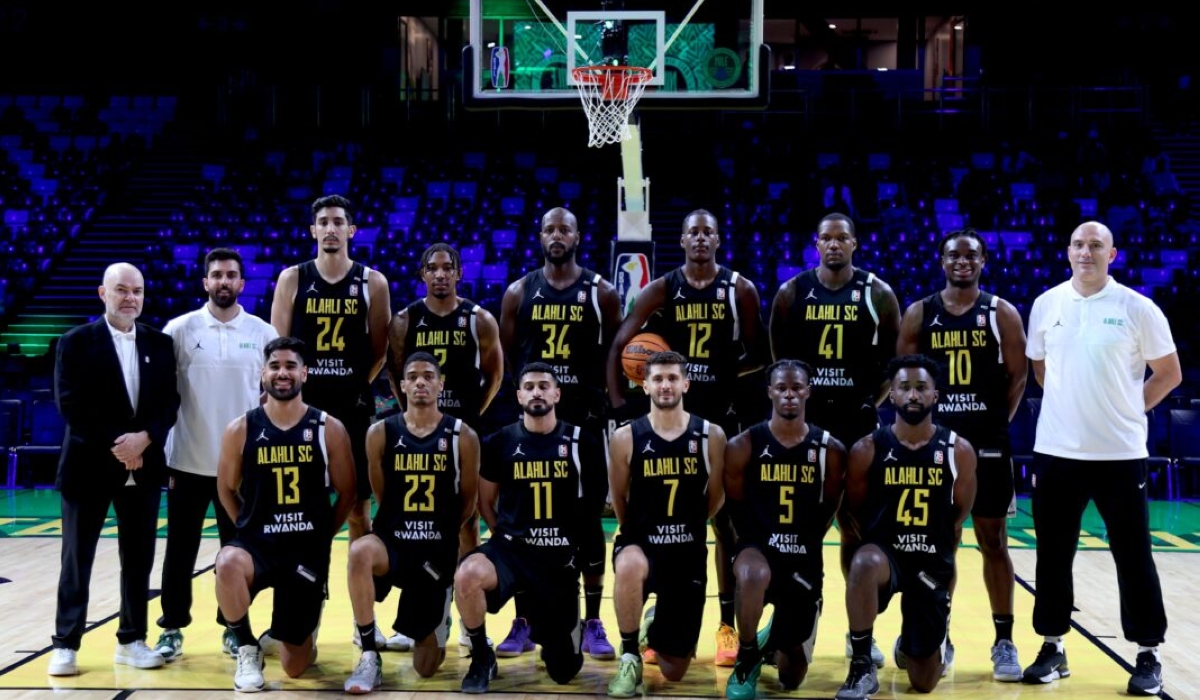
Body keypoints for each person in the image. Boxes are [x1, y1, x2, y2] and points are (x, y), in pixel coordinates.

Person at [1022, 221, 1181, 696]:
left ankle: (1148, 653)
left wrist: (1127, 408)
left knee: (1133, 556)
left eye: (1095, 245)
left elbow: (1168, 373)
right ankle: (1053, 646)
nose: (1085, 252)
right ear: (1067, 252)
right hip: (1056, 452)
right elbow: (1039, 365)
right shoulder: (1047, 304)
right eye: (1077, 245)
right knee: (1052, 555)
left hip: (1120, 453)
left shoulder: (1137, 307)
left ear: (1112, 255)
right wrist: (1071, 405)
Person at [606, 209, 766, 667]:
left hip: (719, 417)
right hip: (669, 411)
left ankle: (727, 626)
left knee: (724, 526)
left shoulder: (739, 290)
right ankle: (656, 609)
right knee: (655, 509)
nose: (699, 237)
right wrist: (620, 406)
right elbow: (622, 344)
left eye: (707, 231)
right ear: (681, 239)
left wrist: (723, 375)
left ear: (718, 239)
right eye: (692, 231)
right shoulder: (663, 288)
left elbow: (759, 352)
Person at [768, 212, 901, 666]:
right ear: (816, 243)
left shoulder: (877, 293)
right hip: (805, 429)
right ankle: (793, 616)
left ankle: (857, 631)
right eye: (826, 238)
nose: (834, 245)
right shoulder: (793, 293)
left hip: (856, 426)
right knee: (796, 528)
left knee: (855, 528)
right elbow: (779, 362)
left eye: (842, 238)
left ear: (855, 243)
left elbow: (890, 365)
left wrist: (870, 403)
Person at [896, 228, 1028, 682]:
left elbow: (1017, 377)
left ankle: (1004, 639)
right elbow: (904, 381)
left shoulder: (1001, 313)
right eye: (954, 254)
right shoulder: (919, 314)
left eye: (971, 255)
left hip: (988, 445)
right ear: (941, 259)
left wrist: (992, 425)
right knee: (939, 546)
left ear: (984, 261)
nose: (962, 261)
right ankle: (938, 632)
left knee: (994, 542)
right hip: (933, 448)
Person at [46, 262, 180, 677]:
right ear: (103, 294)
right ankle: (66, 643)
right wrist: (121, 444)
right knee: (77, 558)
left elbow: (169, 403)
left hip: (144, 464)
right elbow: (71, 404)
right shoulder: (75, 341)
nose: (130, 298)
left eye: (137, 291)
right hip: (88, 466)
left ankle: (132, 640)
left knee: (138, 559)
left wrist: (145, 439)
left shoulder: (160, 343)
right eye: (121, 290)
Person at [498, 207, 620, 660]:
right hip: (534, 423)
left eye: (564, 227)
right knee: (528, 521)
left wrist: (612, 408)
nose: (556, 234)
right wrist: (532, 398)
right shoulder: (519, 291)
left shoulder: (601, 291)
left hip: (585, 423)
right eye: (549, 227)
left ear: (577, 235)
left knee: (588, 522)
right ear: (541, 235)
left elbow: (614, 352)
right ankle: (524, 621)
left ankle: (592, 621)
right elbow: (512, 357)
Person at [152, 248, 279, 663]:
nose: (223, 282)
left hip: (241, 468)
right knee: (179, 550)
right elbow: (160, 392)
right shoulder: (180, 329)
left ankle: (234, 628)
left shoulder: (262, 332)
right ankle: (171, 628)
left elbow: (272, 398)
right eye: (216, 275)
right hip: (186, 460)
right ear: (205, 282)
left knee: (237, 552)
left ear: (242, 283)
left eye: (231, 275)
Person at [452, 362, 607, 694]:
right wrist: (506, 537)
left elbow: (592, 507)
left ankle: (569, 625)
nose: (537, 392)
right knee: (467, 574)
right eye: (530, 386)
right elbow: (486, 501)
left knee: (564, 670)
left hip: (558, 560)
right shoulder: (499, 441)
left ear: (557, 393)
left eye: (544, 385)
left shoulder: (582, 442)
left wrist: (576, 553)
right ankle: (481, 657)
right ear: (519, 395)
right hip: (512, 551)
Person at [214, 337, 357, 693]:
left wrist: (324, 534)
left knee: (296, 668)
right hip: (258, 546)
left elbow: (348, 491)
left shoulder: (328, 428)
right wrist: (244, 529)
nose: (282, 373)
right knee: (228, 561)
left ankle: (291, 633)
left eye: (291, 366)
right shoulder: (241, 428)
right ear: (263, 373)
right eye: (275, 366)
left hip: (305, 550)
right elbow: (225, 488)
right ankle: (246, 646)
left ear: (305, 373)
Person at [836, 354, 977, 700]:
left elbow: (958, 515)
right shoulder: (868, 448)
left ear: (935, 395)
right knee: (865, 560)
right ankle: (861, 664)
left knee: (923, 683)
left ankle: (923, 641)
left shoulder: (958, 450)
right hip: (887, 557)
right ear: (893, 395)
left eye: (921, 388)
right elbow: (852, 513)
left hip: (929, 561)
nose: (913, 395)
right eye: (904, 388)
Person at [343, 352, 481, 693]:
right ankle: (369, 654)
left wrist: (443, 534)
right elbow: (382, 495)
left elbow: (468, 501)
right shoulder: (380, 432)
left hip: (435, 551)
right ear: (402, 385)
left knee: (426, 669)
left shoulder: (462, 436)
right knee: (359, 552)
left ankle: (441, 611)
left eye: (429, 376)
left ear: (440, 383)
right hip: (393, 545)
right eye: (414, 377)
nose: (421, 382)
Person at [722, 359, 847, 699]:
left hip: (803, 561)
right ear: (770, 392)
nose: (789, 394)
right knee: (751, 574)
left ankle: (772, 637)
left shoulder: (830, 450)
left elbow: (830, 506)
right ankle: (747, 657)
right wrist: (750, 542)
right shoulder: (744, 445)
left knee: (791, 678)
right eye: (781, 388)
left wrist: (802, 540)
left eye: (796, 388)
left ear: (808, 391)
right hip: (758, 549)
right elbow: (734, 506)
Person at [606, 350, 727, 697]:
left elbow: (715, 498)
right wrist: (636, 533)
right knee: (628, 563)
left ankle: (652, 625)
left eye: (672, 378)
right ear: (644, 385)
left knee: (674, 672)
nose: (665, 385)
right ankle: (630, 655)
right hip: (642, 543)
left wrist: (687, 526)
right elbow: (619, 499)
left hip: (687, 552)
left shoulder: (710, 436)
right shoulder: (626, 437)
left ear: (685, 383)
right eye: (657, 378)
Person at [271, 194, 391, 541]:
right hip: (303, 406)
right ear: (313, 230)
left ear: (351, 230)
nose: (331, 229)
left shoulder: (373, 282)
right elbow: (278, 347)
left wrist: (354, 384)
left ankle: (359, 590)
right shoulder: (292, 278)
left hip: (353, 406)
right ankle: (308, 586)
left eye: (339, 222)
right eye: (323, 222)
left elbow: (380, 351)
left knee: (356, 505)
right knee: (301, 505)